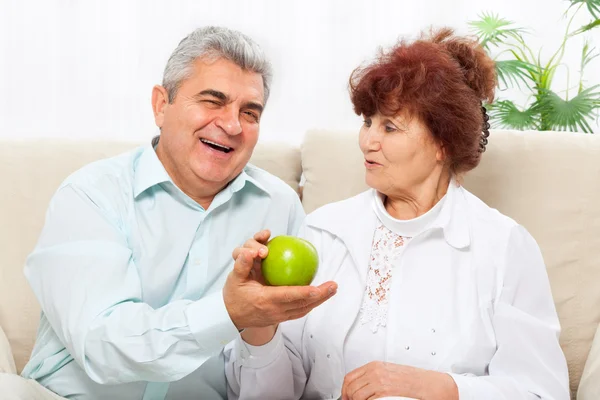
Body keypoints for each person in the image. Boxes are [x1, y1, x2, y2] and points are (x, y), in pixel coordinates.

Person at [225, 28, 570, 400]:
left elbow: (542, 392)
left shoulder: (504, 247)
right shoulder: (323, 230)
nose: (368, 141)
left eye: (389, 126)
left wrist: (443, 388)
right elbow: (273, 394)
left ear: (443, 143)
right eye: (367, 121)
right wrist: (259, 326)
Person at [19, 26, 337, 400]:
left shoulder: (278, 206)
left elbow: (273, 389)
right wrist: (228, 312)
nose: (232, 125)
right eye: (212, 101)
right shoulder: (92, 195)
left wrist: (260, 328)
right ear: (161, 105)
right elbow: (103, 345)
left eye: (249, 112)